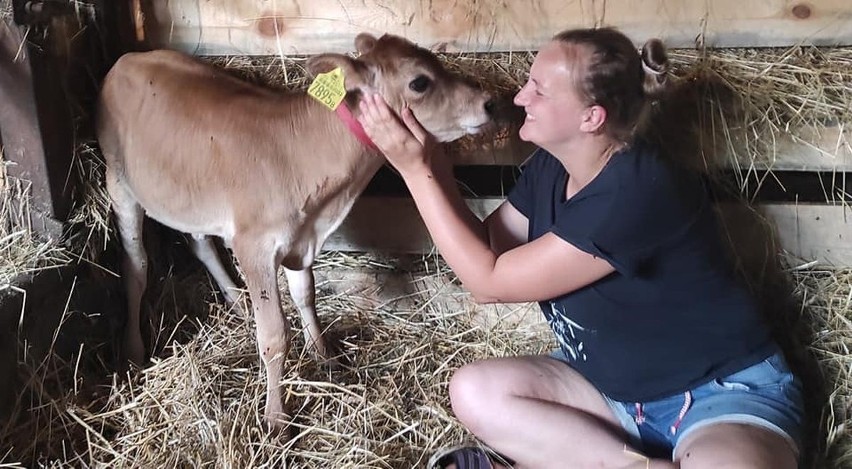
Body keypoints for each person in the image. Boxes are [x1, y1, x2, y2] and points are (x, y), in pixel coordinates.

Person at [357, 27, 804, 469]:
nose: (519, 98)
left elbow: (488, 283)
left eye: (539, 91)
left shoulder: (638, 188)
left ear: (591, 117)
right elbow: (487, 248)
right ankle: (633, 463)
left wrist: (416, 172)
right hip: (610, 394)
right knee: (474, 391)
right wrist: (429, 158)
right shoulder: (553, 166)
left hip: (718, 395)